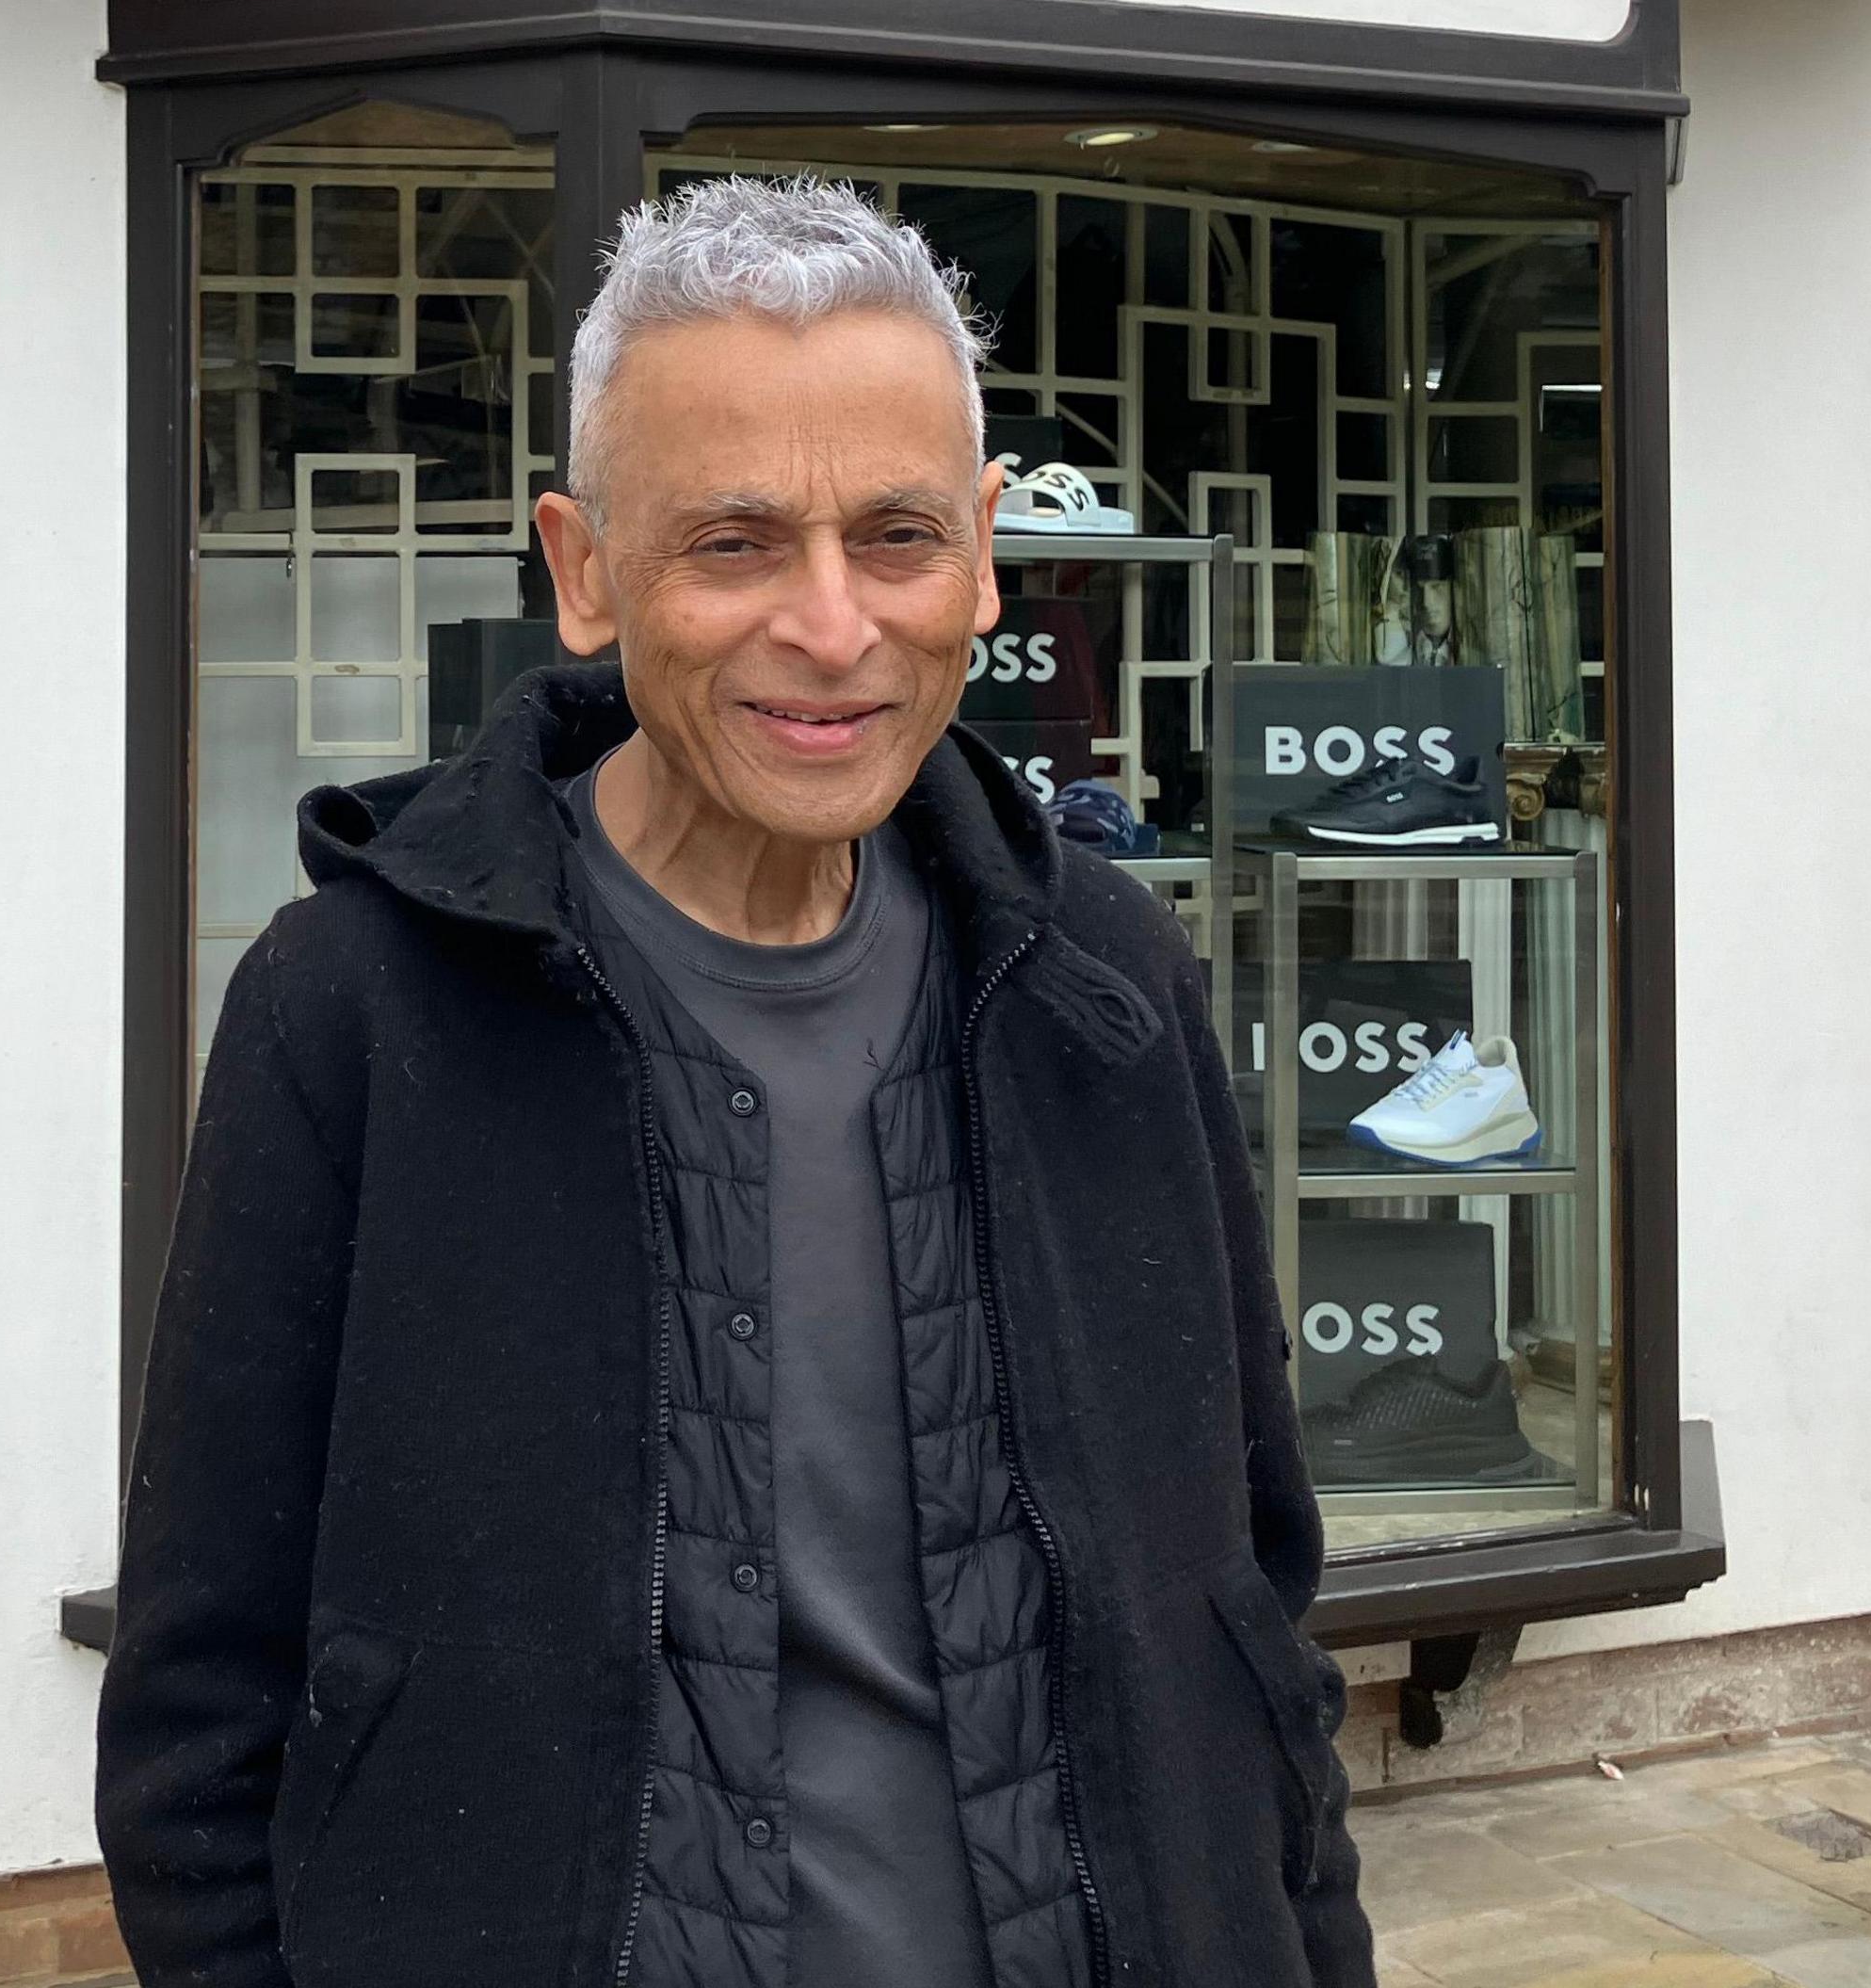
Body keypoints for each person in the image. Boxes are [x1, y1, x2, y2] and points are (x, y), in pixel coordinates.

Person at [97, 175, 1368, 1988]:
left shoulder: (1101, 980)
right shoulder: (355, 1009)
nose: (834, 626)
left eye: (900, 536)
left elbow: (1251, 1603)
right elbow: (202, 1705)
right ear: (587, 568)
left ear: (988, 553)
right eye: (736, 543)